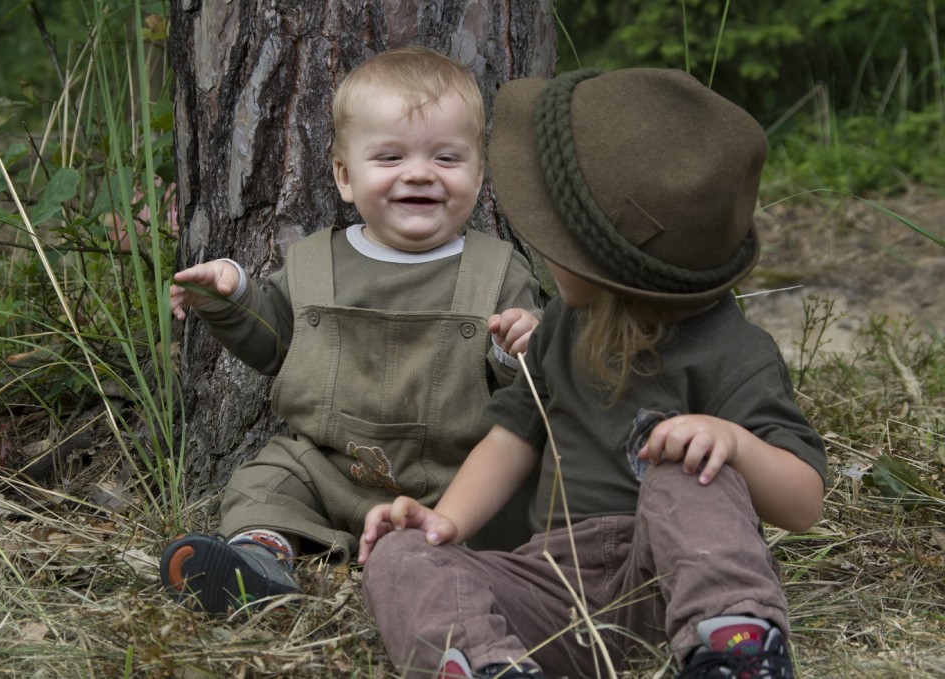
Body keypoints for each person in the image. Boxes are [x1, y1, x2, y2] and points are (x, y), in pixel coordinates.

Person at [358, 68, 827, 679]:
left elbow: (804, 504)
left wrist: (732, 444)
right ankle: (482, 661)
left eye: (558, 237)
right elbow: (511, 440)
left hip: (672, 577)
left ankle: (733, 648)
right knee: (400, 555)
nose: (544, 248)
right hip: (549, 584)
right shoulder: (560, 326)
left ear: (605, 263)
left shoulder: (734, 352)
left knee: (683, 471)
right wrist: (446, 522)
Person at [158, 45, 543, 614]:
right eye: (389, 157)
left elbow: (526, 400)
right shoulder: (317, 263)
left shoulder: (498, 270)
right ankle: (261, 555)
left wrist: (520, 345)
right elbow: (277, 347)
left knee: (513, 507)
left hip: (454, 477)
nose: (419, 173)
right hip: (328, 466)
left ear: (479, 174)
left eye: (447, 158)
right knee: (264, 481)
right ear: (344, 176)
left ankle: (446, 568)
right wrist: (231, 294)